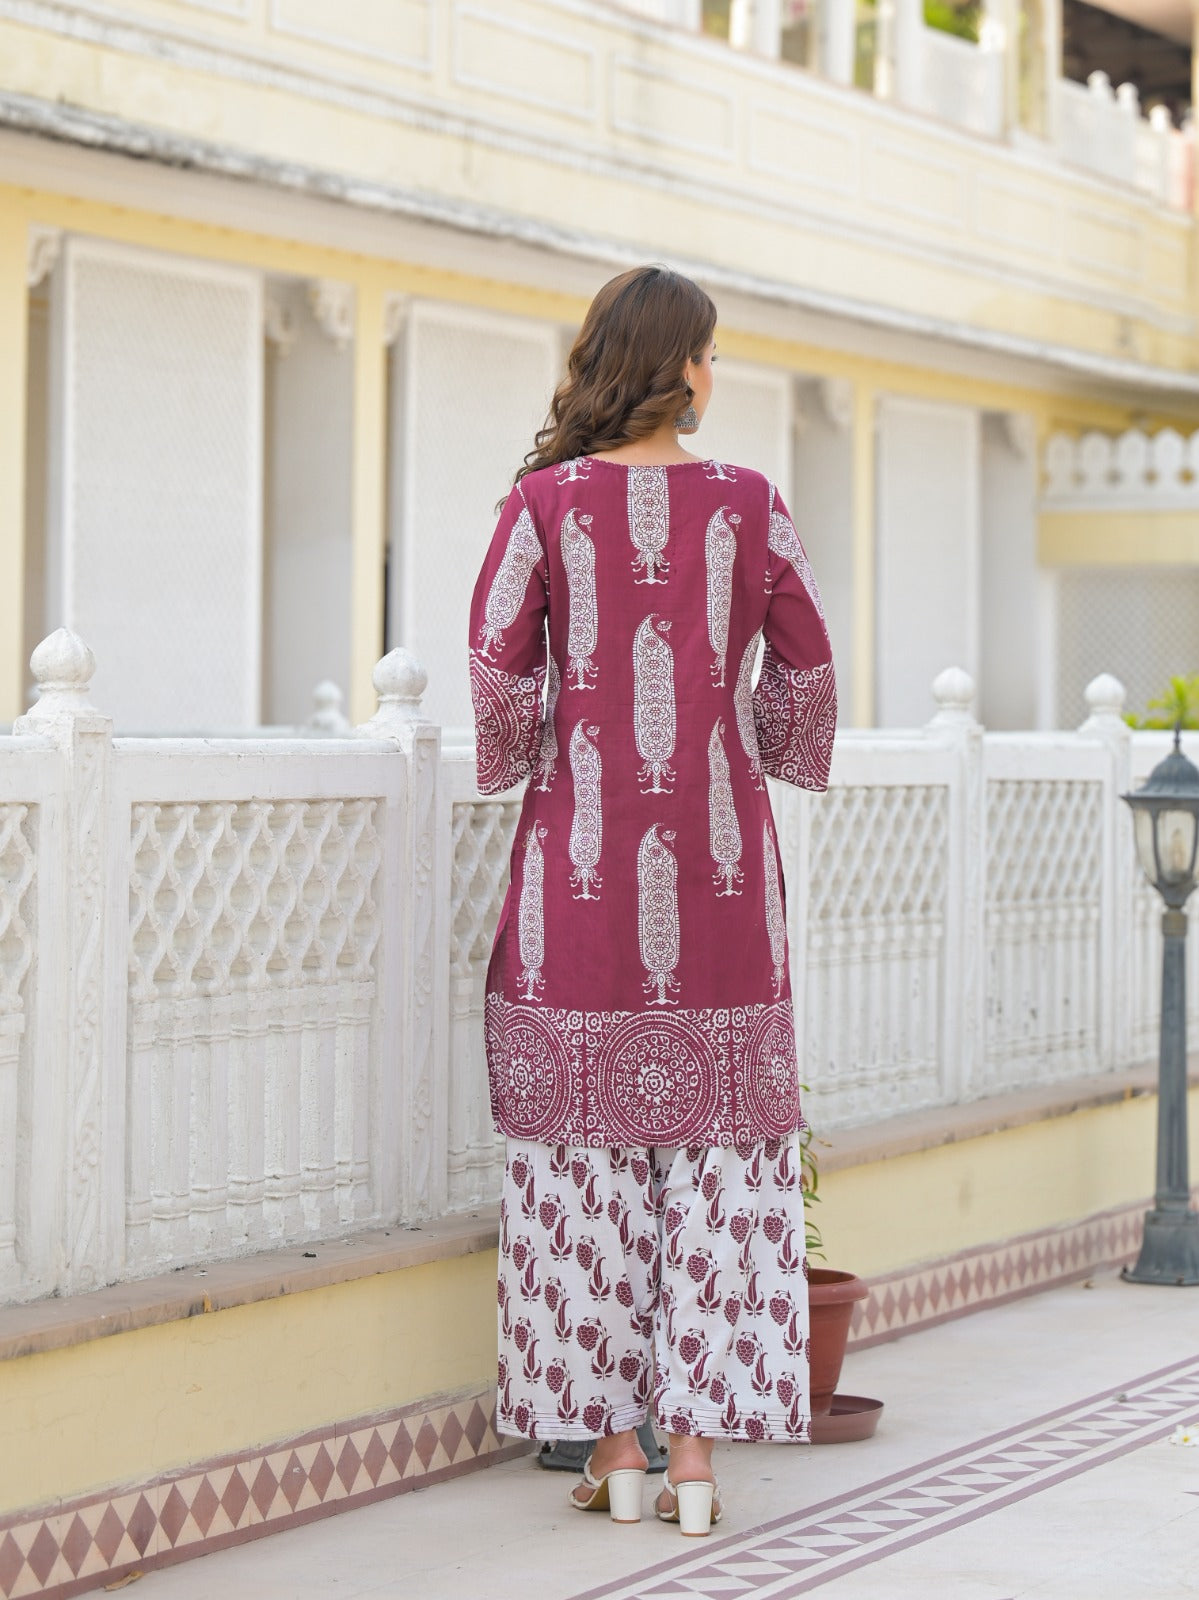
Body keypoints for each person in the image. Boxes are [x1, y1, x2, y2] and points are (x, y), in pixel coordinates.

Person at [468, 264, 836, 1536]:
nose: (714, 372)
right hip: (724, 889)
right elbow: (805, 663)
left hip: (575, 882)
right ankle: (692, 1461)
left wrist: (530, 748)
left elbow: (495, 663)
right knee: (722, 1176)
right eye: (712, 353)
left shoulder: (540, 505)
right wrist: (760, 750)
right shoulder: (749, 503)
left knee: (581, 1169)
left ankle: (612, 1452)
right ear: (681, 367)